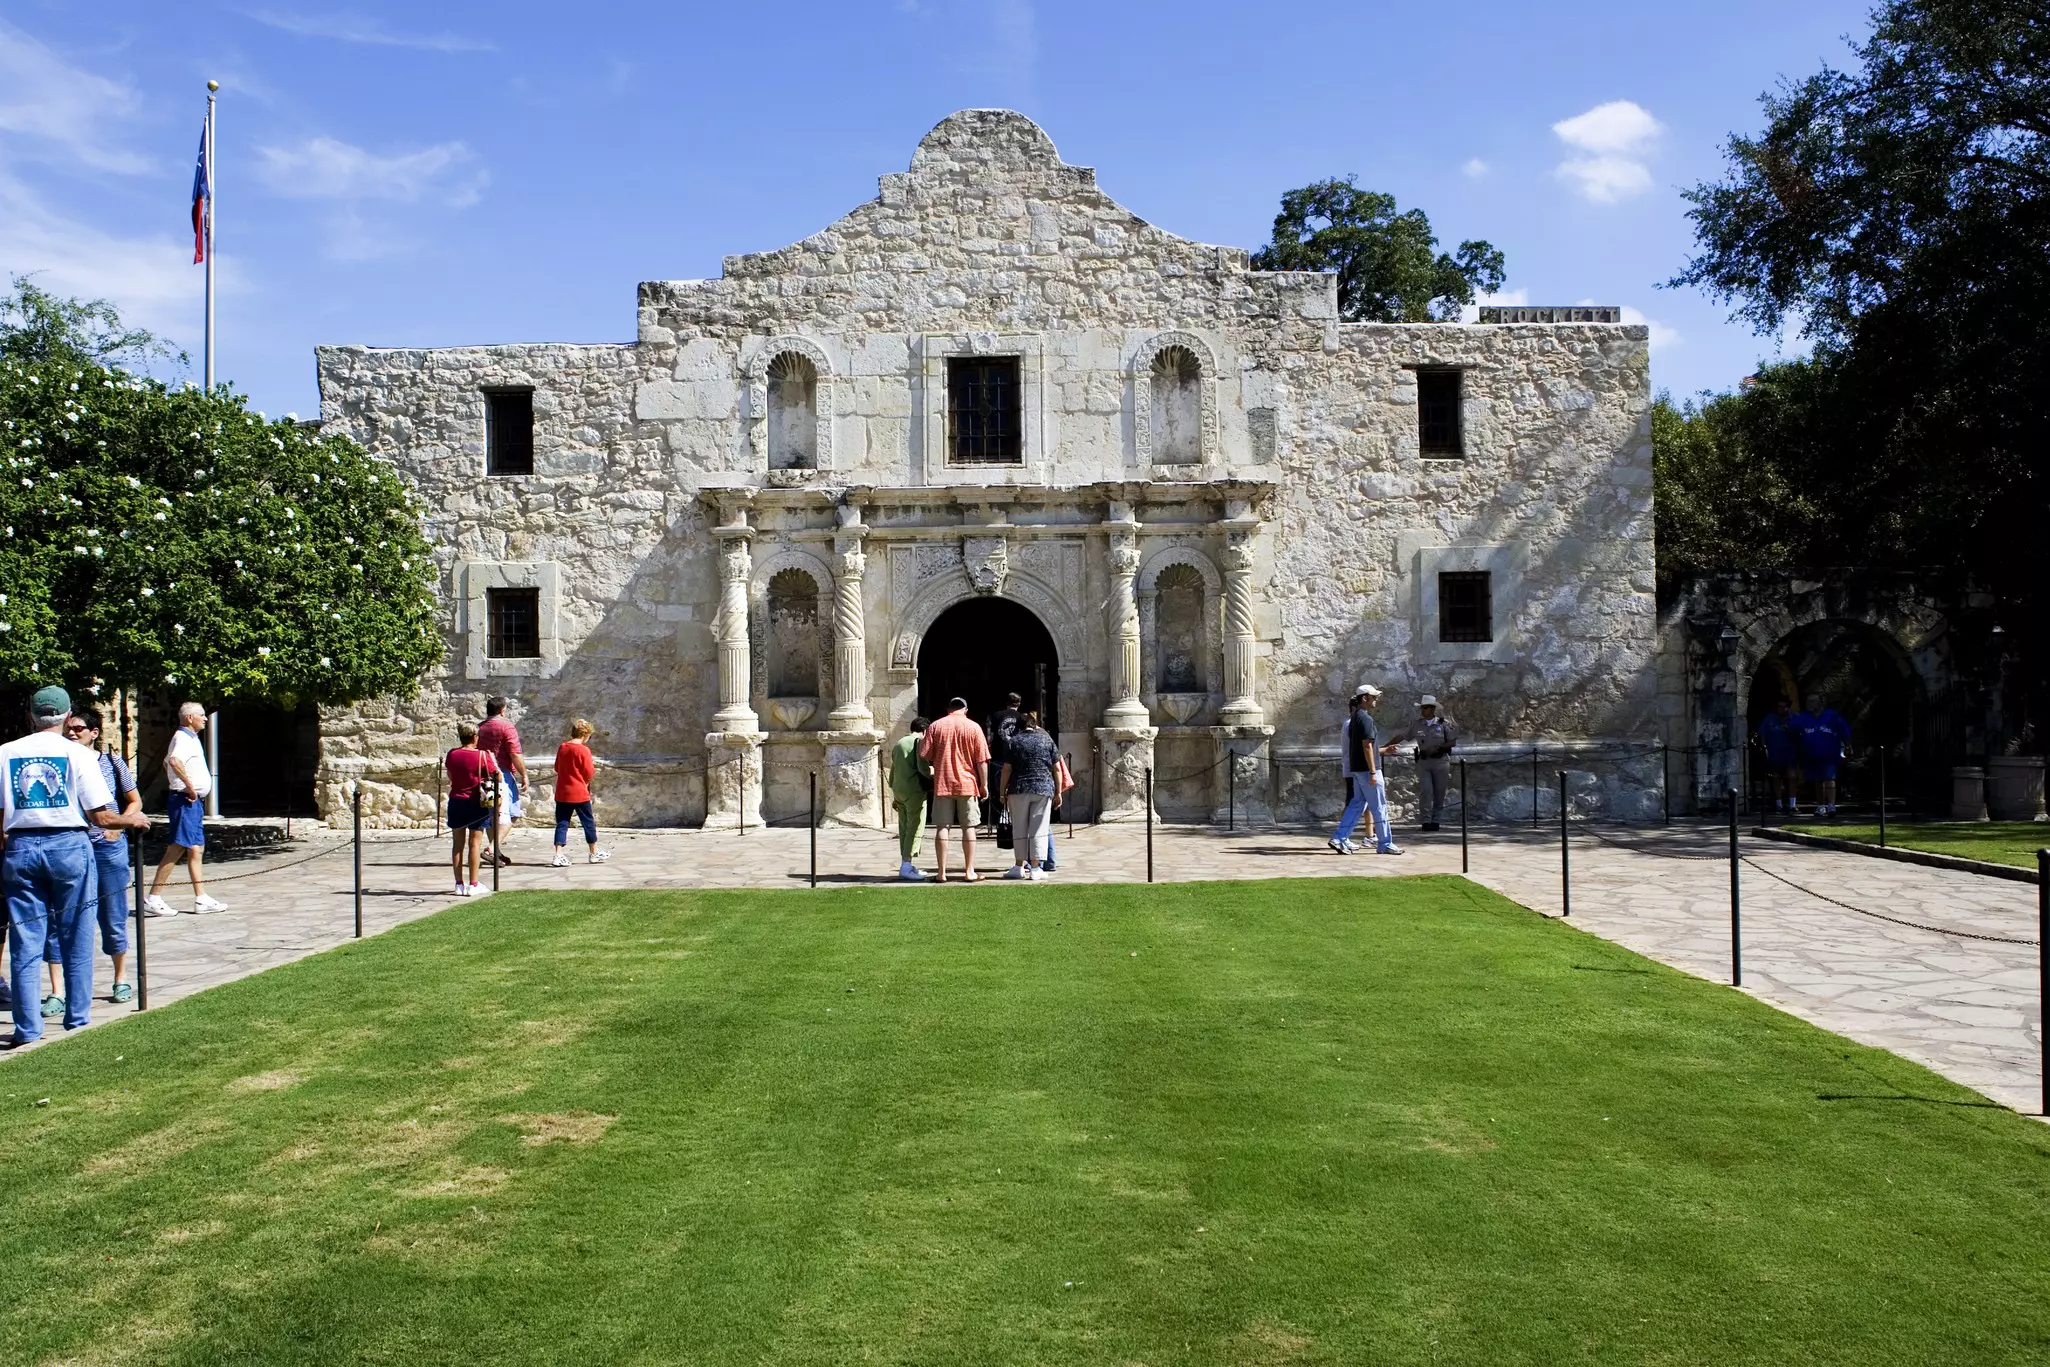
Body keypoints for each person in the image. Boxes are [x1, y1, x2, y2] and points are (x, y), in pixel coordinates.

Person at [2, 686, 150, 1047]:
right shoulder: (78, 754)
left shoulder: (6, 753)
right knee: (76, 934)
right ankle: (78, 1020)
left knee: (26, 939)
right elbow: (100, 816)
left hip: (20, 844)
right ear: (68, 717)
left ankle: (27, 1028)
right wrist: (132, 821)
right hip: (68, 842)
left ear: (31, 716)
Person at [62, 710, 142, 1006]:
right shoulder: (64, 762)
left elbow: (135, 800)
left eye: (79, 729)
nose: (72, 733)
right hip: (73, 845)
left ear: (94, 733)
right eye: (69, 729)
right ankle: (62, 988)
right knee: (67, 916)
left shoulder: (111, 761)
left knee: (113, 914)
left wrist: (118, 826)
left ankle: (121, 978)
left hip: (107, 847)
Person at [143, 702, 226, 916]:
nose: (205, 718)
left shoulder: (189, 738)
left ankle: (201, 898)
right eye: (201, 715)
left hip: (192, 801)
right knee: (178, 846)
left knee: (196, 848)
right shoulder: (182, 738)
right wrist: (188, 786)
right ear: (190, 717)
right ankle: (154, 897)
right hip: (185, 800)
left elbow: (166, 762)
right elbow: (173, 761)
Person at [920, 696, 990, 883]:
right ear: (965, 710)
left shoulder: (936, 726)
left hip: (943, 782)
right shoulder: (974, 727)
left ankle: (941, 872)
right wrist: (984, 785)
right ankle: (969, 871)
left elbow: (924, 754)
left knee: (943, 827)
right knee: (969, 827)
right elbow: (981, 760)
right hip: (967, 783)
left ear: (948, 709)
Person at [1329, 684, 1401, 856]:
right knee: (1379, 806)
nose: (1376, 700)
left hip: (1357, 769)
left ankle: (1339, 837)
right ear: (1364, 698)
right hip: (1367, 770)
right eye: (1373, 697)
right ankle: (1385, 843)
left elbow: (1367, 746)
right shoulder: (1365, 719)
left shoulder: (1355, 719)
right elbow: (1367, 746)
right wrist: (1373, 771)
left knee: (1357, 804)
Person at [999, 711, 1058, 881]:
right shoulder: (1047, 740)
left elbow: (1006, 769)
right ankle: (1035, 867)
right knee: (1038, 828)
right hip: (1043, 788)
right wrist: (1058, 792)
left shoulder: (1014, 742)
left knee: (1019, 827)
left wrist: (1002, 791)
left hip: (1019, 788)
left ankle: (1019, 865)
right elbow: (1057, 768)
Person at [443, 721, 499, 897]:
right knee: (475, 844)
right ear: (475, 737)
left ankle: (459, 884)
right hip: (476, 802)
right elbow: (497, 775)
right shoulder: (482, 756)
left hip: (456, 801)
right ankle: (473, 883)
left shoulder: (452, 755)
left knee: (457, 845)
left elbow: (451, 775)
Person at [1390, 694, 1460, 831]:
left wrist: (1439, 747)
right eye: (1422, 708)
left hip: (1440, 761)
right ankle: (1426, 820)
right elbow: (1403, 736)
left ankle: (1436, 820)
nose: (1423, 710)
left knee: (1439, 792)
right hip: (1424, 762)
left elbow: (1452, 742)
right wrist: (1386, 746)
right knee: (1426, 791)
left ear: (1433, 709)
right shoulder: (1417, 724)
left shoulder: (1443, 724)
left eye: (1426, 708)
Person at [550, 719, 610, 867]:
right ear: (585, 734)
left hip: (563, 791)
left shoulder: (563, 747)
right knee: (588, 822)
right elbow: (589, 772)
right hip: (579, 792)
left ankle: (558, 854)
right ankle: (593, 852)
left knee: (562, 823)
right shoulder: (584, 750)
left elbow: (557, 767)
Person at [477, 696, 528, 864]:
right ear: (502, 710)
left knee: (492, 815)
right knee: (511, 814)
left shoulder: (479, 728)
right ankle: (491, 848)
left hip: (484, 776)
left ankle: (495, 851)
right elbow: (514, 753)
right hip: (502, 776)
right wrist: (524, 774)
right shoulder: (507, 727)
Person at [887, 717, 933, 882]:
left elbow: (893, 769)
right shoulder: (918, 743)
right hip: (914, 791)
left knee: (904, 827)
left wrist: (893, 792)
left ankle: (906, 862)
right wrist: (933, 771)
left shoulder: (899, 743)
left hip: (899, 790)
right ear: (925, 730)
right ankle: (906, 865)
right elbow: (923, 769)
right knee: (915, 827)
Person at [1798, 693, 1852, 816]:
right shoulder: (1804, 717)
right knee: (1818, 781)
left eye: (1813, 701)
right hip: (1812, 754)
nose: (1810, 704)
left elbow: (1844, 731)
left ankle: (1831, 806)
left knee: (1830, 779)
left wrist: (1848, 746)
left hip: (1829, 753)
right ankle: (1820, 806)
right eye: (1808, 701)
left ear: (1820, 703)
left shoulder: (1832, 716)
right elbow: (1795, 730)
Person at [1756, 696, 1802, 813]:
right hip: (1774, 752)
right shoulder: (1770, 718)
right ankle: (1779, 805)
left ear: (1788, 707)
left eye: (1783, 707)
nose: (1780, 709)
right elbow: (1762, 733)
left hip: (1790, 753)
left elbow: (1801, 735)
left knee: (1792, 777)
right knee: (1776, 778)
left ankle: (1792, 805)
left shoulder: (1795, 719)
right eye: (1778, 706)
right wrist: (1763, 746)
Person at [985, 692, 1022, 832]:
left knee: (997, 790)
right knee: (1015, 790)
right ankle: (1016, 820)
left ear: (1006, 702)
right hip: (1016, 760)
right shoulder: (1022, 718)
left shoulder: (996, 716)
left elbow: (990, 737)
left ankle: (997, 821)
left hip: (999, 757)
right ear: (1019, 704)